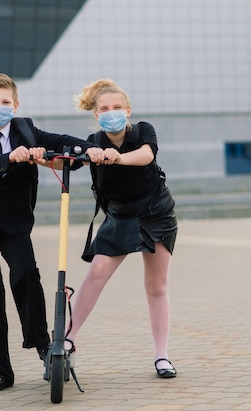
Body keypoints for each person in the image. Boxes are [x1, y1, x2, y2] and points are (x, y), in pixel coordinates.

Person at [0, 73, 103, 393]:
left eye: (5, 102)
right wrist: (9, 157)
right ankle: (0, 372)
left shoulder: (25, 129)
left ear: (16, 104)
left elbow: (59, 140)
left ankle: (41, 344)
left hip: (13, 224)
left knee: (26, 275)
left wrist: (89, 149)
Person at [65, 78, 178, 378]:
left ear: (127, 111)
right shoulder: (94, 143)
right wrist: (39, 159)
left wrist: (118, 158)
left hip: (155, 213)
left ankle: (162, 356)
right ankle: (66, 342)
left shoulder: (143, 131)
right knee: (97, 273)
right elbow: (68, 162)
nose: (111, 112)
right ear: (96, 114)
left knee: (156, 285)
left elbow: (147, 155)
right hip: (119, 216)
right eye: (104, 108)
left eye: (117, 107)